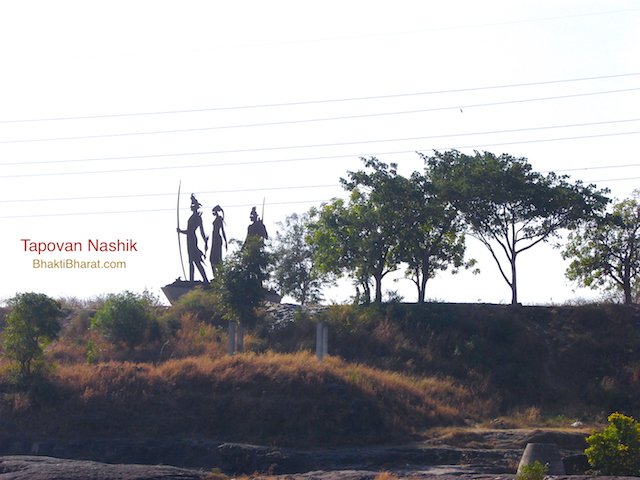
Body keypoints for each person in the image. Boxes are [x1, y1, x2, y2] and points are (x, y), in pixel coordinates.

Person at [177, 194, 209, 282]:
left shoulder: (197, 218)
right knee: (191, 261)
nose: (191, 206)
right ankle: (191, 280)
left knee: (196, 261)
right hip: (189, 239)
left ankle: (205, 279)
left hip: (192, 238)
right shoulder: (193, 217)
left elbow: (193, 231)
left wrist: (180, 231)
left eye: (193, 205)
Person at [210, 205, 227, 271]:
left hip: (217, 239)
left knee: (217, 258)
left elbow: (222, 231)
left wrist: (225, 241)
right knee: (213, 258)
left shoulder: (219, 219)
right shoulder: (217, 219)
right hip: (214, 238)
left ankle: (220, 275)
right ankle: (216, 276)